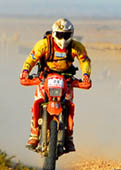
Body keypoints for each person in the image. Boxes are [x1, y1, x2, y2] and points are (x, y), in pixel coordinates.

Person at [21, 18, 92, 152]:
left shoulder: (76, 47)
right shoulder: (44, 45)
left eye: (66, 35)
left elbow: (85, 61)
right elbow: (31, 59)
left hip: (67, 79)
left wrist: (86, 76)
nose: (63, 39)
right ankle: (34, 134)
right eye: (60, 35)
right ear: (54, 34)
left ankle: (69, 137)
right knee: (38, 101)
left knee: (70, 104)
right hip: (45, 77)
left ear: (71, 35)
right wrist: (25, 72)